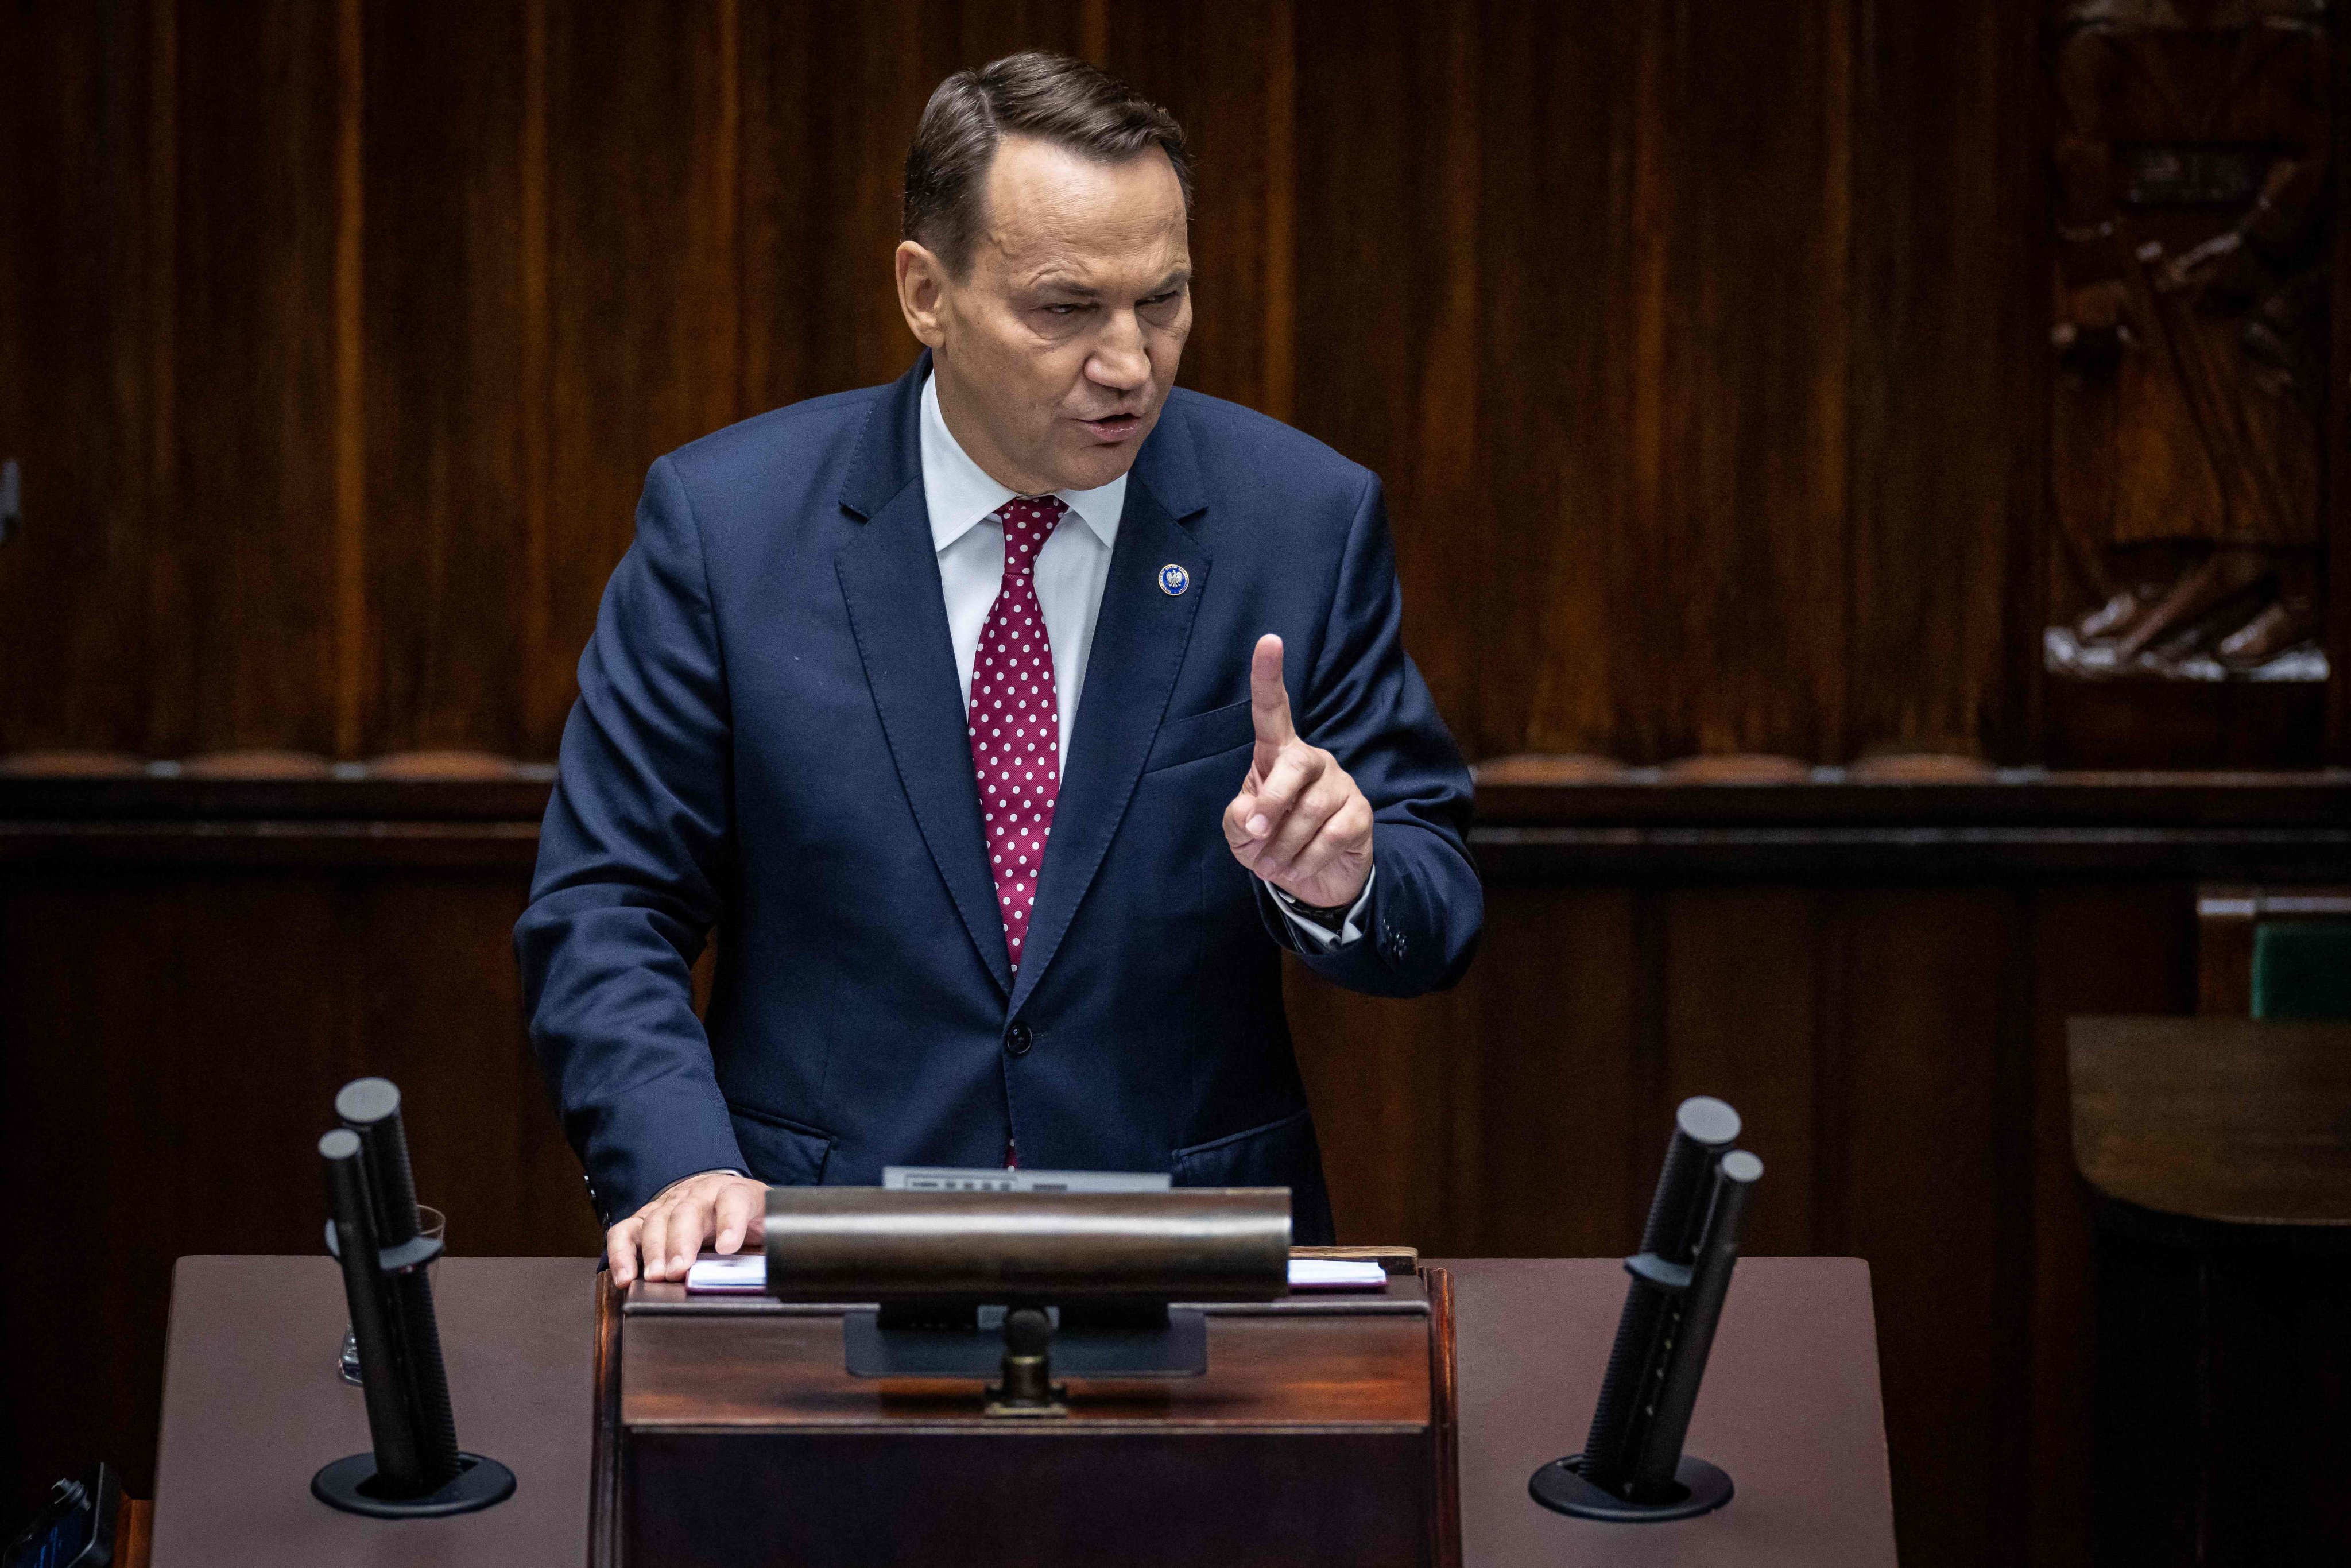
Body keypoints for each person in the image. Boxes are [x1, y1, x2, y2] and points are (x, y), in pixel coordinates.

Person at [516, 52, 1481, 1286]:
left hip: (1190, 1275)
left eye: (1164, 300)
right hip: (815, 1258)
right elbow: (606, 902)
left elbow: (1432, 893)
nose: (1130, 362)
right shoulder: (728, 527)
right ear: (925, 291)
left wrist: (1343, 879)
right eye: (1065, 309)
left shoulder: (1300, 519)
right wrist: (680, 1162)